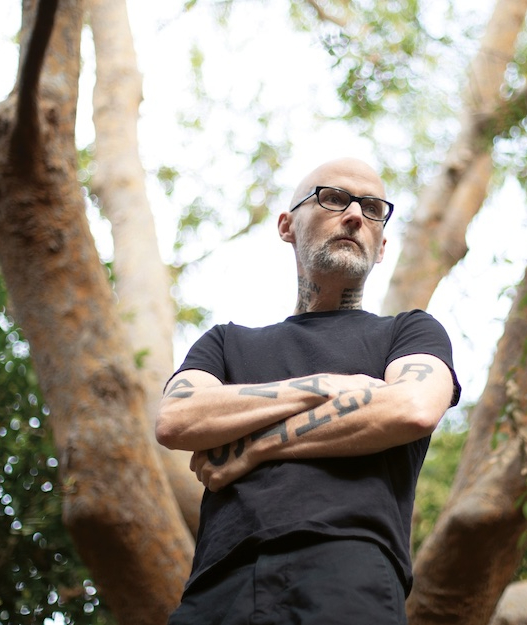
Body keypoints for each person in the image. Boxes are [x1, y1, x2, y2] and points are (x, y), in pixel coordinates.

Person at [156, 157, 461, 625]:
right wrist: (329, 385)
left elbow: (413, 407)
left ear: (381, 247)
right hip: (219, 585)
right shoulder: (226, 343)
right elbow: (177, 419)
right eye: (334, 198)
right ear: (287, 226)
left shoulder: (410, 333)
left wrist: (254, 446)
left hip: (350, 571)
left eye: (373, 208)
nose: (355, 215)